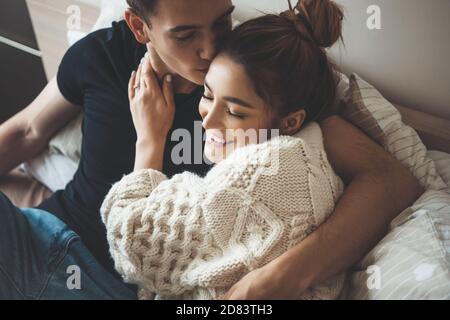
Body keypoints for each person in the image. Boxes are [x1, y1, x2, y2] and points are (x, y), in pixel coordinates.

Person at [0, 0, 422, 299]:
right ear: (139, 26)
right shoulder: (104, 56)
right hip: (46, 237)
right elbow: (25, 133)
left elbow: (390, 181)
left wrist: (285, 276)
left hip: (115, 279)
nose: (209, 47)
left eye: (221, 23)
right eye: (185, 34)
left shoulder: (262, 83)